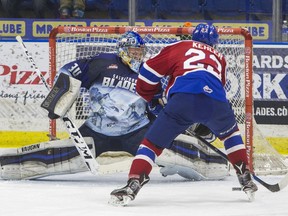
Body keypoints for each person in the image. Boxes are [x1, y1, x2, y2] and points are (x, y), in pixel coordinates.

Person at [0, 31, 228, 181]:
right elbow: (68, 71)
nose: (137, 55)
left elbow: (159, 100)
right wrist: (59, 97)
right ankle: (9, 165)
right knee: (60, 159)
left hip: (137, 131)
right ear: (122, 50)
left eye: (140, 51)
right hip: (95, 130)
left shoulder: (148, 70)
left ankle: (213, 164)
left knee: (173, 154)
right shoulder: (102, 63)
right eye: (133, 51)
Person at [109, 24, 258, 206]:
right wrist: (207, 121)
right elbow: (215, 89)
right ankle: (245, 177)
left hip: (183, 101)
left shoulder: (179, 46)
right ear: (215, 44)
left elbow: (147, 74)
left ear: (192, 37)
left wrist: (153, 98)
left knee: (151, 145)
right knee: (231, 135)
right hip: (217, 103)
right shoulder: (220, 58)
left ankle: (134, 183)